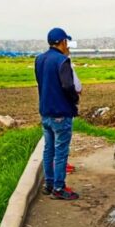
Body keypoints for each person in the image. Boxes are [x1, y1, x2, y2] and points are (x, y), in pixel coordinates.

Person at [35, 27, 80, 200]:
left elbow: (41, 83)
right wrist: (74, 100)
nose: (67, 44)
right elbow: (68, 86)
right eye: (66, 41)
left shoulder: (39, 60)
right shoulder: (62, 61)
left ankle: (49, 184)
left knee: (48, 150)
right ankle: (59, 189)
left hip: (45, 112)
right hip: (61, 112)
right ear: (62, 42)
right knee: (61, 152)